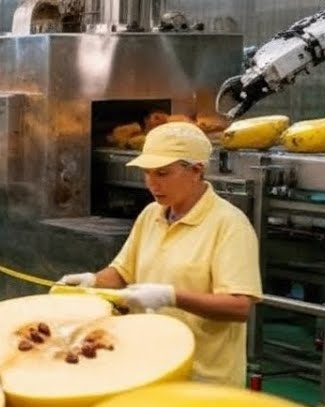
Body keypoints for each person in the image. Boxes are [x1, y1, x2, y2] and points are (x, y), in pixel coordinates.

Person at [57, 121, 262, 386]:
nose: (152, 183)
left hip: (201, 380)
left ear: (197, 170)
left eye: (163, 173)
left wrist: (171, 297)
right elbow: (122, 272)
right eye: (147, 173)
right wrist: (92, 281)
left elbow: (239, 306)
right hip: (148, 367)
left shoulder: (229, 225)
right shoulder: (151, 214)